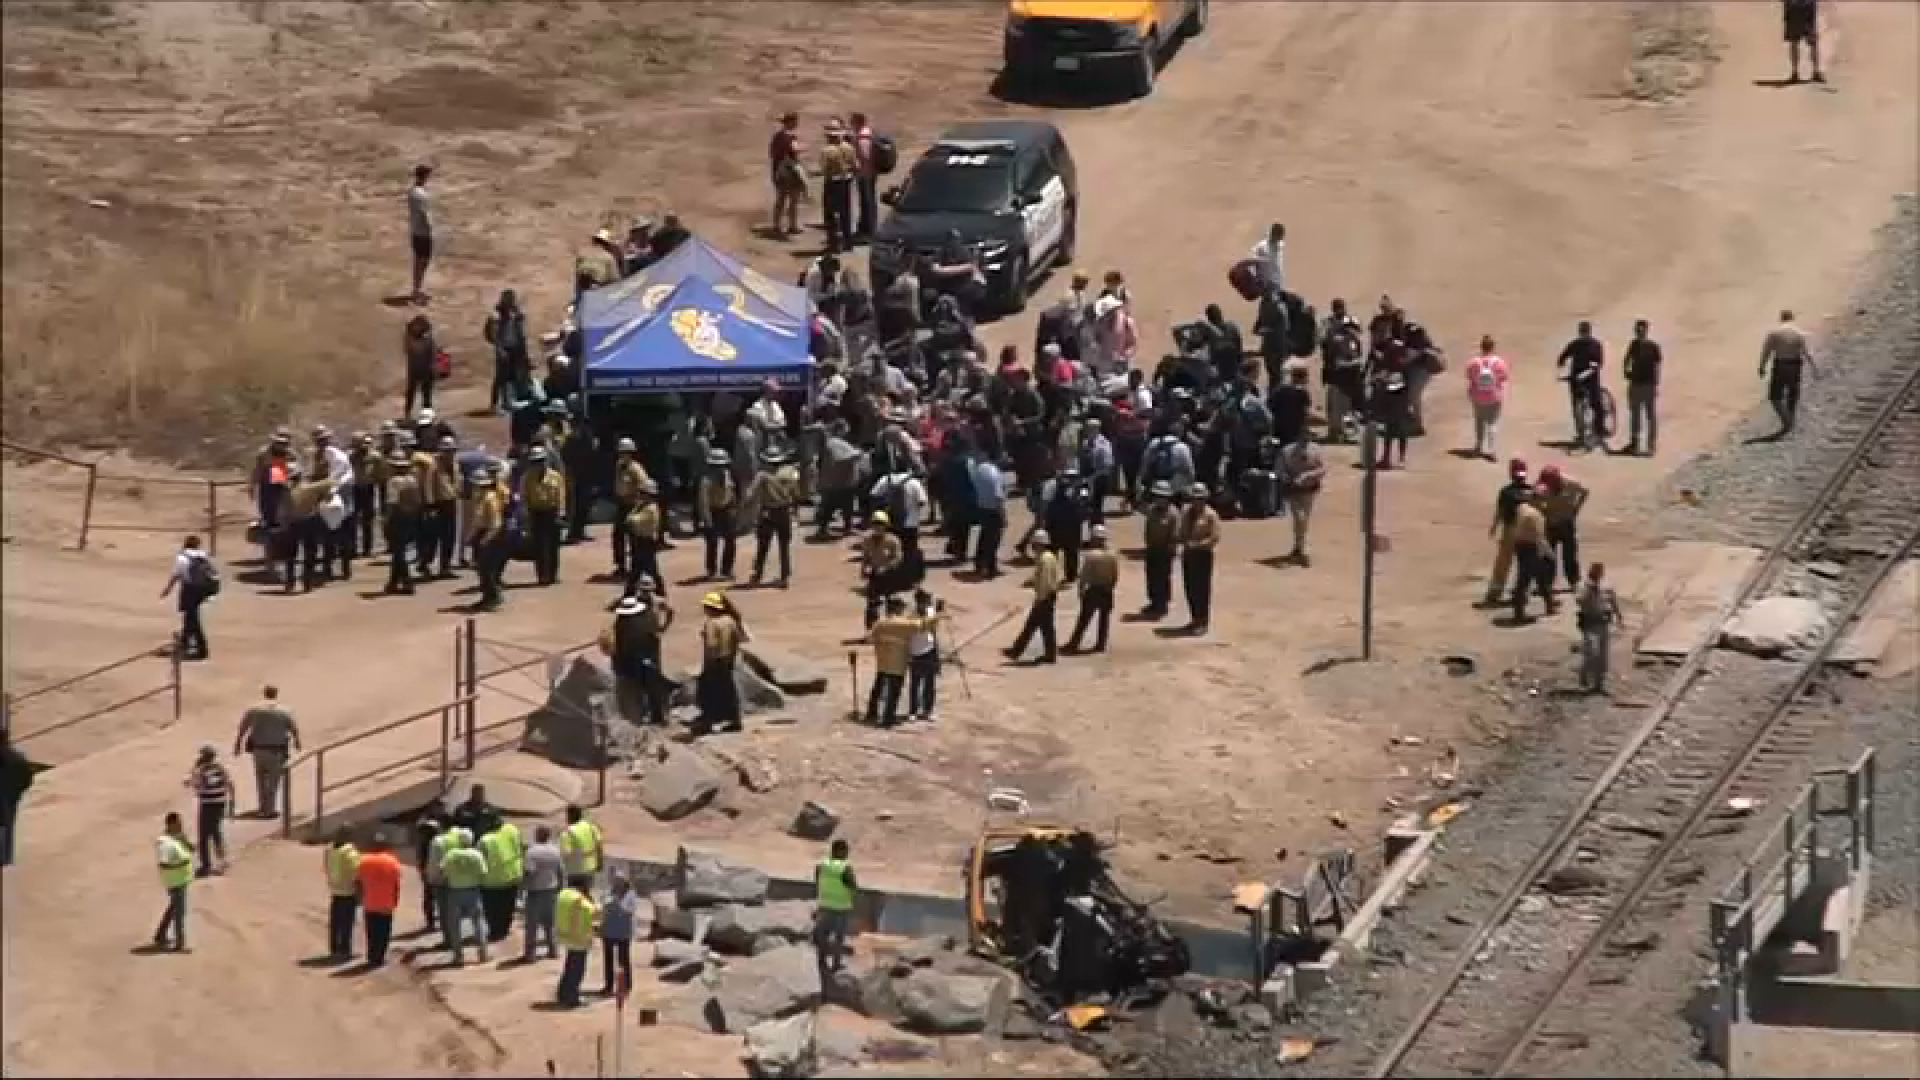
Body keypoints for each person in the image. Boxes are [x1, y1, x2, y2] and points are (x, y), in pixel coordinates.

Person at [602, 590, 672, 728]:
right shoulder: (646, 617)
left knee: (637, 690)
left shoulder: (624, 623)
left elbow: (623, 645)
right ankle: (656, 716)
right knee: (650, 688)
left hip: (634, 661)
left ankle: (643, 717)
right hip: (646, 658)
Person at [234, 685, 299, 818]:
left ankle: (263, 807)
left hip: (258, 750)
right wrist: (297, 741)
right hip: (276, 750)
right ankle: (269, 809)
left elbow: (243, 727)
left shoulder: (253, 709)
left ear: (264, 693)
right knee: (274, 780)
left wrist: (238, 743)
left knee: (261, 779)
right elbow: (293, 728)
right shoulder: (284, 711)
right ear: (276, 694)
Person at [1004, 530, 1062, 665]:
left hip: (1045, 596)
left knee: (1036, 625)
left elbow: (1045, 580)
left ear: (1039, 544)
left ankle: (1017, 651)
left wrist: (1040, 598)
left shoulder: (1044, 558)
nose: (1032, 547)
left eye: (1034, 544)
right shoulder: (1049, 556)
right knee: (1041, 626)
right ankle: (1022, 651)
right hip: (1048, 595)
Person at [1483, 459, 1534, 606]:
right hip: (1528, 530)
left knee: (1503, 562)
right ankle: (1523, 593)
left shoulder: (1506, 492)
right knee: (1525, 563)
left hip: (1511, 529)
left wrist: (1494, 527)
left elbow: (1500, 512)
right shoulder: (1532, 490)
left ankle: (1495, 592)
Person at [748, 446, 800, 588]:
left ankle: (757, 575)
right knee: (784, 546)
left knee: (763, 546)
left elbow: (751, 493)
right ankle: (784, 577)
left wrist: (746, 507)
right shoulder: (791, 473)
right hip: (784, 511)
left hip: (768, 512)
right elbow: (796, 493)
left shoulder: (762, 475)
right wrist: (795, 511)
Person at [1759, 309, 1819, 434]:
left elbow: (1766, 351)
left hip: (1780, 365)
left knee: (1775, 396)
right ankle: (1790, 420)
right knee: (1793, 394)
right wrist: (1814, 368)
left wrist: (1762, 367)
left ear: (1781, 318)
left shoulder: (1774, 333)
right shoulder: (1798, 333)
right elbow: (1807, 353)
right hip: (1795, 365)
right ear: (1792, 318)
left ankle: (1787, 420)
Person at [161, 535, 218, 661]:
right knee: (190, 616)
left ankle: (201, 649)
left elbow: (177, 575)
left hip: (189, 588)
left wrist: (167, 589)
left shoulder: (182, 557)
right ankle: (185, 642)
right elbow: (213, 572)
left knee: (192, 618)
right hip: (202, 590)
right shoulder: (203, 555)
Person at [438, 827, 490, 964]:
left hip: (455, 892)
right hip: (473, 892)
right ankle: (483, 954)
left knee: (454, 926)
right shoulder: (476, 855)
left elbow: (442, 871)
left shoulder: (451, 854)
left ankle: (458, 956)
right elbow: (484, 872)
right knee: (478, 923)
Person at [695, 593, 745, 735]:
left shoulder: (712, 623)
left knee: (709, 693)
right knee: (728, 691)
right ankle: (734, 720)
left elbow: (711, 645)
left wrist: (708, 664)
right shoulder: (730, 620)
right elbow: (738, 639)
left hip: (714, 662)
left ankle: (708, 722)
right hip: (728, 660)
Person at [1536, 465, 1590, 592]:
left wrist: (1577, 508)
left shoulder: (1571, 483)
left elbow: (1585, 492)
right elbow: (1534, 499)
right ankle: (1547, 583)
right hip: (1550, 524)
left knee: (1570, 555)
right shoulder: (1541, 485)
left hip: (1567, 523)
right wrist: (1541, 511)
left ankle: (1574, 581)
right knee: (1548, 555)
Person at [519, 446, 567, 586]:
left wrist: (561, 513)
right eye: (535, 462)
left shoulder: (555, 476)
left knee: (553, 545)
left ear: (546, 461)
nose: (538, 464)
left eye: (541, 461)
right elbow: (524, 497)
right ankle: (542, 575)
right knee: (539, 546)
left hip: (551, 512)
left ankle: (553, 574)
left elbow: (561, 495)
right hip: (536, 512)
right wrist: (526, 515)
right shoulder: (527, 477)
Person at [1066, 525, 1119, 654]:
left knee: (1084, 620)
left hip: (1094, 590)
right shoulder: (1112, 555)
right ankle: (1101, 644)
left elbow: (1085, 576)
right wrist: (1110, 586)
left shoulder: (1091, 556)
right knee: (1104, 619)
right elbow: (1115, 575)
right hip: (1107, 589)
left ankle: (1074, 644)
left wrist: (1081, 590)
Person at [1557, 320, 1607, 451]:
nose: (1583, 334)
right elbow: (1563, 356)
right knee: (1576, 407)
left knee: (1596, 405)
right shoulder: (1575, 344)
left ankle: (1600, 431)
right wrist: (1561, 369)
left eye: (1584, 331)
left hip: (1591, 378)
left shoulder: (1595, 345)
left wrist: (1588, 372)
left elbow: (1598, 363)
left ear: (1589, 332)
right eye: (1581, 332)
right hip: (1576, 379)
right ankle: (1581, 433)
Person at [1277, 434, 1327, 565]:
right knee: (1299, 518)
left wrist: (1308, 475)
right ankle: (1300, 548)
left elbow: (1323, 469)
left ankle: (1299, 548)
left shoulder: (1316, 450)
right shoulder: (1287, 450)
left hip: (1309, 490)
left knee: (1304, 520)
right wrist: (1288, 478)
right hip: (1293, 490)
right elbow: (1279, 469)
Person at [1576, 562, 1625, 694]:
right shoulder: (1583, 586)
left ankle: (1599, 684)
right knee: (1591, 652)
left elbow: (1613, 601)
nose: (1597, 573)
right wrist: (1589, 592)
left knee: (1603, 655)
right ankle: (1584, 674)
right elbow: (1579, 600)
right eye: (1595, 570)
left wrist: (1619, 616)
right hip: (1590, 623)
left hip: (1603, 622)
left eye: (1599, 571)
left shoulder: (1606, 586)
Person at [1179, 483, 1221, 635]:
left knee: (1202, 590)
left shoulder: (1211, 515)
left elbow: (1214, 537)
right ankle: (1194, 618)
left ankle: (1202, 621)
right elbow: (1181, 532)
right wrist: (1185, 542)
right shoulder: (1185, 513)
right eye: (1195, 498)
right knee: (1190, 588)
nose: (1197, 502)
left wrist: (1197, 544)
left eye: (1200, 499)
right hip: (1188, 554)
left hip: (1203, 555)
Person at [382, 445, 424, 595]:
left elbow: (391, 504)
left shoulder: (393, 482)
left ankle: (407, 582)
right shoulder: (412, 480)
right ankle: (393, 582)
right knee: (399, 551)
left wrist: (386, 520)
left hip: (397, 518)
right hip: (411, 517)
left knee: (398, 552)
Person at [185, 745, 232, 877]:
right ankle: (222, 861)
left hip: (207, 804)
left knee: (204, 835)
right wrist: (232, 804)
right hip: (220, 802)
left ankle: (206, 865)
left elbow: (191, 783)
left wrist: (194, 771)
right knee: (216, 832)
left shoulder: (201, 770)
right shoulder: (221, 768)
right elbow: (230, 784)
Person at [1508, 489, 1555, 622]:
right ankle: (1520, 613)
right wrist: (1549, 554)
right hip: (1531, 547)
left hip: (1520, 545)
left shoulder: (1522, 508)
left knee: (1527, 578)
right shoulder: (1537, 515)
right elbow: (1540, 538)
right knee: (1531, 579)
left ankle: (1546, 606)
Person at [814, 839, 858, 976]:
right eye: (846, 851)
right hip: (841, 908)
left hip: (825, 906)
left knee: (823, 936)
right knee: (839, 938)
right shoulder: (845, 867)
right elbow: (853, 886)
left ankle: (821, 961)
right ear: (841, 851)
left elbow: (818, 880)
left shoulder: (821, 865)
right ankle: (836, 964)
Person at [357, 834, 403, 968]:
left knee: (371, 931)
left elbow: (359, 882)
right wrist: (395, 899)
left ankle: (372, 955)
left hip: (370, 902)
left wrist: (360, 898)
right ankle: (380, 956)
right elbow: (396, 884)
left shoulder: (364, 860)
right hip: (386, 902)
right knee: (384, 931)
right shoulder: (393, 861)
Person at [520, 825, 564, 963]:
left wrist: (522, 888)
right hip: (552, 891)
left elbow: (528, 872)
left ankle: (530, 955)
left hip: (536, 892)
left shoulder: (532, 852)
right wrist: (560, 888)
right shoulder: (555, 851)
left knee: (532, 925)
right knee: (550, 923)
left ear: (537, 835)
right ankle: (553, 950)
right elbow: (561, 871)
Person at [554, 875, 599, 1008]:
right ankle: (571, 998)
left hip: (566, 936)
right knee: (576, 970)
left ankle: (562, 994)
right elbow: (593, 912)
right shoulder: (579, 900)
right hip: (579, 939)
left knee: (569, 967)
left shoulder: (563, 894)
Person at [478, 815, 525, 942]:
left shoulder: (485, 840)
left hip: (491, 880)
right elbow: (520, 847)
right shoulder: (512, 829)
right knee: (508, 905)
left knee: (492, 908)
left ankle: (495, 931)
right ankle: (504, 929)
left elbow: (481, 861)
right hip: (512, 875)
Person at [153, 811, 195, 951]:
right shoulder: (164, 842)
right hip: (174, 881)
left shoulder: (177, 837)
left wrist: (184, 840)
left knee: (173, 908)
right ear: (170, 824)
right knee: (179, 912)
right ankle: (180, 943)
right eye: (178, 823)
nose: (180, 825)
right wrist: (180, 864)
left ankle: (160, 934)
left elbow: (192, 849)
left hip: (181, 879)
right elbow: (163, 863)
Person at [1465, 335, 1510, 461]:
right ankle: (1491, 449)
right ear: (1493, 347)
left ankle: (1478, 445)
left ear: (1481, 347)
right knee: (1492, 423)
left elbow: (1469, 377)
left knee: (1479, 421)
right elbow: (1504, 378)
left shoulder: (1473, 362)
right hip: (1494, 396)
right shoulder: (1499, 362)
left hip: (1477, 396)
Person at [1139, 481, 1180, 620]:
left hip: (1165, 550)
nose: (1159, 499)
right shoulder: (1151, 510)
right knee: (1151, 576)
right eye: (1157, 496)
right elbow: (1147, 528)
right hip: (1152, 548)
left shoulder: (1173, 513)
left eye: (1162, 496)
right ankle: (1153, 602)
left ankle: (1162, 604)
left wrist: (1170, 549)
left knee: (1162, 577)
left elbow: (1175, 534)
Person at [696, 448, 739, 581]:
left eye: (721, 465)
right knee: (712, 543)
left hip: (726, 510)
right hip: (712, 511)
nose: (719, 468)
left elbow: (731, 491)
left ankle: (727, 570)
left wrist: (734, 507)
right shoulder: (706, 480)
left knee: (731, 540)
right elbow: (703, 502)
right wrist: (706, 520)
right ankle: (711, 571)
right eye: (716, 466)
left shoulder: (728, 475)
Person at [0, 724, 36, 869]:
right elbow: (27, 778)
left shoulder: (14, 758)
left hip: (7, 795)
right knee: (8, 826)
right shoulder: (17, 757)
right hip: (10, 797)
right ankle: (5, 856)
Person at [818, 120, 857, 253]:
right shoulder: (849, 147)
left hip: (832, 183)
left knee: (830, 214)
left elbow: (823, 169)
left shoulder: (827, 150)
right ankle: (847, 243)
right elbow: (855, 165)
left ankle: (833, 244)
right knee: (845, 213)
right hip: (846, 182)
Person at [324, 828, 362, 961]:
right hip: (348, 891)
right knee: (347, 922)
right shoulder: (350, 852)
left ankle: (334, 948)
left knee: (335, 921)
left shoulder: (329, 850)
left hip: (335, 889)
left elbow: (326, 867)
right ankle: (344, 949)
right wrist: (360, 891)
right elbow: (357, 873)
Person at [906, 589, 944, 722]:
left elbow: (934, 631)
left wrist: (936, 651)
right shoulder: (911, 615)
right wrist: (908, 654)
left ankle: (928, 710)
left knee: (929, 683)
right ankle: (913, 711)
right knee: (915, 683)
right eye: (926, 600)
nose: (928, 603)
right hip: (915, 651)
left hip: (929, 650)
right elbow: (908, 635)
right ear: (919, 602)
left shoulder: (931, 612)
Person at [599, 876, 639, 997]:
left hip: (623, 932)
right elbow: (603, 906)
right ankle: (608, 985)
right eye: (616, 881)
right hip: (609, 931)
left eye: (619, 882)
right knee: (608, 960)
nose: (616, 884)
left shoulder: (631, 895)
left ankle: (626, 986)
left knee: (623, 960)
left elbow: (628, 910)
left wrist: (617, 902)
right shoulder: (609, 893)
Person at [970, 452, 1007, 578]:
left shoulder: (980, 469)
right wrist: (1003, 515)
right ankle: (991, 568)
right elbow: (998, 497)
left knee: (984, 536)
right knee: (993, 540)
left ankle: (979, 564)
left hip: (981, 508)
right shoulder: (996, 473)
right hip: (993, 510)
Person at [769, 111, 806, 238]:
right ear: (791, 122)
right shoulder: (788, 136)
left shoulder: (778, 136)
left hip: (780, 170)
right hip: (789, 171)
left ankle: (779, 225)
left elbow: (772, 153)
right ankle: (790, 225)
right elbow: (795, 150)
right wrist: (803, 148)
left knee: (783, 199)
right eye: (795, 121)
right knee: (791, 198)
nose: (797, 123)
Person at [407, 163, 433, 305]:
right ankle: (416, 291)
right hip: (423, 232)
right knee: (422, 262)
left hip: (416, 231)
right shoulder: (420, 194)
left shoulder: (413, 192)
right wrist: (430, 227)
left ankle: (417, 289)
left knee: (420, 262)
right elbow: (424, 213)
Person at [403, 315, 439, 418]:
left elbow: (432, 354)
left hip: (425, 369)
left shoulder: (426, 339)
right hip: (416, 369)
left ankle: (426, 416)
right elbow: (412, 350)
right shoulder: (412, 339)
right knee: (411, 393)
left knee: (426, 395)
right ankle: (408, 414)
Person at [1782, 0, 1823, 83]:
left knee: (1803, 42)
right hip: (1799, 10)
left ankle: (1798, 73)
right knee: (1806, 42)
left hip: (1799, 10)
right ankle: (1813, 72)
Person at [560, 804, 604, 880]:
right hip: (591, 868)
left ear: (570, 816)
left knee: (575, 891)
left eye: (567, 815)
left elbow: (567, 854)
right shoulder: (592, 828)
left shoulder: (568, 832)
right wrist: (600, 864)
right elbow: (599, 847)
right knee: (586, 890)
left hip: (575, 871)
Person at [1250, 223, 1287, 293]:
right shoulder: (1261, 247)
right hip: (1267, 283)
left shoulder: (1280, 245)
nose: (1280, 238)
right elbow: (1254, 264)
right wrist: (1257, 280)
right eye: (1278, 235)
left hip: (1277, 282)